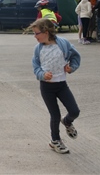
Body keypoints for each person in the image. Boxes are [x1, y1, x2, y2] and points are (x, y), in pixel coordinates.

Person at [29, 18, 80, 154]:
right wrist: (42, 75)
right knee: (55, 115)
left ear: (46, 32)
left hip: (62, 85)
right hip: (47, 88)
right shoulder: (38, 49)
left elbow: (75, 56)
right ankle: (55, 141)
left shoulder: (62, 44)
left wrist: (72, 67)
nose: (35, 36)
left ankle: (68, 122)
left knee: (75, 111)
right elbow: (36, 67)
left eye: (36, 33)